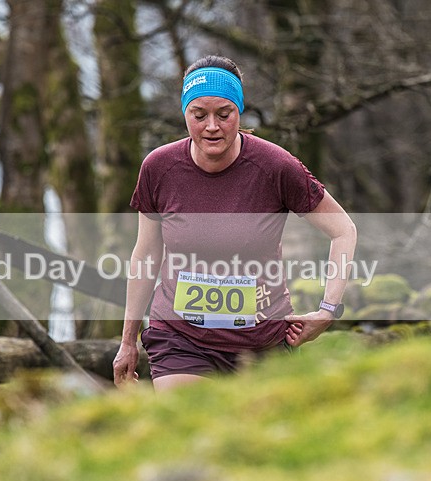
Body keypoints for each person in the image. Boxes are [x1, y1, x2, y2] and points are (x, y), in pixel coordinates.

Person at [113, 56, 357, 392]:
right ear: (185, 114)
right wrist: (127, 341)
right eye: (199, 115)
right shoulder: (159, 167)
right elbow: (146, 255)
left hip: (261, 341)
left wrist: (328, 309)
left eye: (224, 115)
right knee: (189, 425)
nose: (211, 126)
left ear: (239, 113)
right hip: (181, 338)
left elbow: (343, 229)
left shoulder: (276, 166)